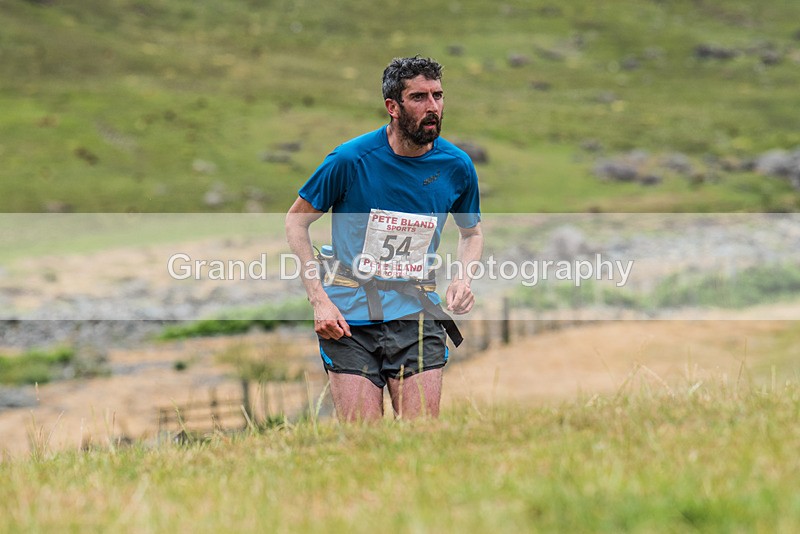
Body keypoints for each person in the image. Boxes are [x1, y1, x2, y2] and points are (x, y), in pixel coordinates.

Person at [285, 56, 483, 421]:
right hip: (348, 320)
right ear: (392, 106)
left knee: (421, 436)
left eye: (438, 96)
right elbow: (296, 222)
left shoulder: (456, 165)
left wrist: (462, 279)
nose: (433, 107)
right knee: (364, 442)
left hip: (416, 313)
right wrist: (319, 301)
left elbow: (471, 232)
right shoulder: (349, 160)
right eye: (419, 97)